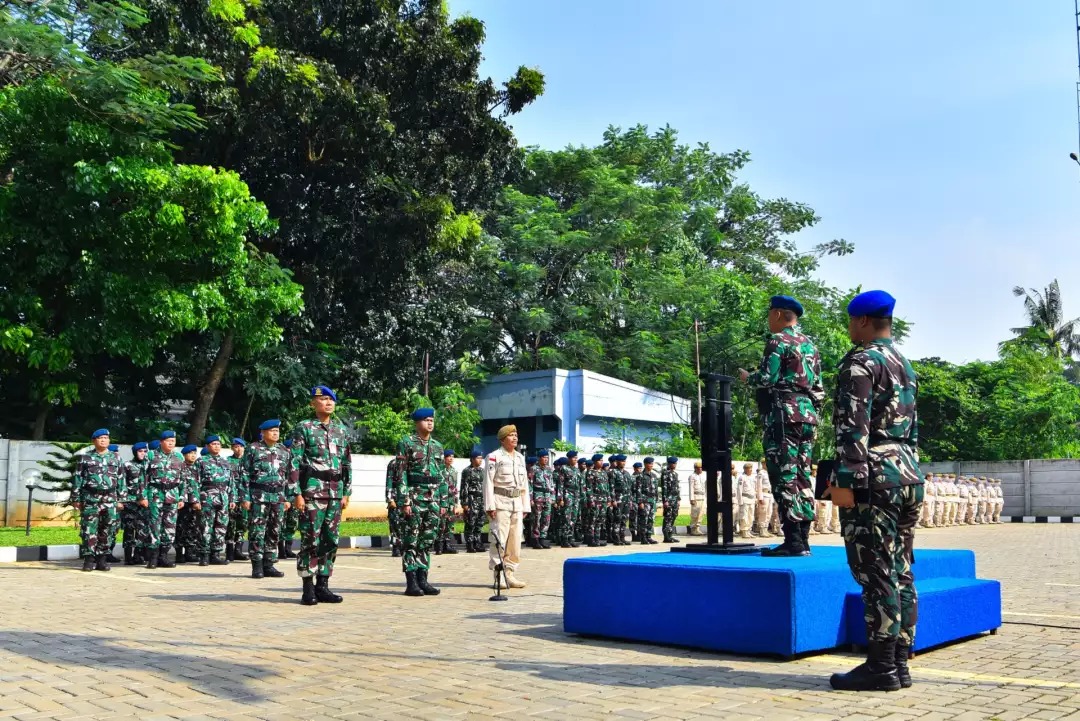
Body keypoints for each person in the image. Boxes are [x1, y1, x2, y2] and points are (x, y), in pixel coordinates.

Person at [828, 290, 924, 692]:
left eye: (851, 321)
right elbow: (913, 429)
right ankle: (899, 662)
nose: (849, 328)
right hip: (907, 475)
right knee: (901, 571)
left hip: (875, 478)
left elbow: (853, 427)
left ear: (863, 321)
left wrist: (845, 482)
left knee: (875, 573)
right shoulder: (905, 364)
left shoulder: (862, 362)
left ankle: (881, 667)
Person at [739, 294, 824, 557]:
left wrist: (747, 377)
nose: (768, 320)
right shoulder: (810, 345)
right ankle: (804, 539)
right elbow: (819, 389)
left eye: (769, 314)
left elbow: (767, 377)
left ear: (777, 314)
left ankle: (793, 541)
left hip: (784, 415)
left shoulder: (778, 340)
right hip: (807, 416)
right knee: (802, 476)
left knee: (784, 476)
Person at [290, 386, 352, 606]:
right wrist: (296, 493)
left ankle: (323, 586)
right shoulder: (304, 428)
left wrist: (346, 492)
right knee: (310, 540)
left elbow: (346, 463)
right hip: (312, 492)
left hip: (335, 492)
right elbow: (294, 462)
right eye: (323, 399)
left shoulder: (341, 431)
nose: (328, 403)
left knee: (331, 539)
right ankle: (308, 588)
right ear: (313, 404)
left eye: (331, 400)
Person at [392, 407, 445, 597]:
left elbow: (442, 477)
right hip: (414, 497)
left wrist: (444, 502)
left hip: (433, 499)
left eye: (431, 420)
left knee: (427, 539)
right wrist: (404, 500)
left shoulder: (438, 446)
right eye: (426, 420)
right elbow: (400, 474)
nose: (429, 423)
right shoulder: (406, 443)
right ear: (417, 422)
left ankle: (424, 579)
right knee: (411, 540)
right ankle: (411, 581)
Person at [242, 419, 290, 579]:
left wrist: (288, 497)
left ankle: (269, 564)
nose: (275, 433)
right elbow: (243, 474)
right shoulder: (253, 449)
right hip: (258, 496)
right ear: (263, 432)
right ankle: (257, 565)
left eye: (277, 430)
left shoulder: (284, 450)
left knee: (274, 530)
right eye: (272, 430)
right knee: (257, 531)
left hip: (278, 496)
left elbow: (289, 476)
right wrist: (245, 497)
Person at [484, 425, 530, 589]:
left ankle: (510, 573)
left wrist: (525, 506)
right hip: (500, 502)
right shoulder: (494, 457)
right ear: (503, 439)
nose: (515, 437)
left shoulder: (519, 458)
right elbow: (488, 482)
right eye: (511, 435)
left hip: (516, 503)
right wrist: (490, 505)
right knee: (499, 541)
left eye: (516, 435)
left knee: (515, 542)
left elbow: (524, 483)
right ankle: (499, 575)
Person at [74, 429, 125, 571]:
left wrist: (121, 499)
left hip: (110, 498)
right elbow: (78, 478)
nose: (104, 440)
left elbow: (121, 479)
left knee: (107, 529)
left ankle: (102, 559)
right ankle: (89, 559)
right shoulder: (85, 458)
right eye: (100, 438)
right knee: (89, 529)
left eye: (106, 438)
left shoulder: (116, 458)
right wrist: (76, 498)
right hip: (91, 498)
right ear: (94, 441)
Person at [141, 431, 185, 569]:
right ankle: (153, 557)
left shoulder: (178, 457)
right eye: (168, 440)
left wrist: (182, 496)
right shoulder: (151, 455)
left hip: (172, 494)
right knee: (154, 525)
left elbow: (183, 478)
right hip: (155, 493)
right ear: (161, 442)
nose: (171, 443)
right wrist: (143, 496)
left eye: (173, 440)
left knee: (170, 527)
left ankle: (163, 556)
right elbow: (143, 478)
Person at [196, 436, 236, 566]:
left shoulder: (226, 462)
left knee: (221, 527)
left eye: (218, 444)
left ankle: (216, 553)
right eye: (213, 444)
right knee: (205, 526)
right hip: (207, 496)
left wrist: (232, 498)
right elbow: (195, 482)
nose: (217, 446)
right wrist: (196, 499)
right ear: (207, 446)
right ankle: (204, 554)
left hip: (223, 497)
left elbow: (231, 482)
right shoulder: (201, 461)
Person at [120, 442, 148, 565]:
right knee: (129, 530)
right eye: (140, 451)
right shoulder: (127, 465)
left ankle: (138, 555)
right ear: (135, 452)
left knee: (143, 530)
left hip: (145, 502)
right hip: (130, 502)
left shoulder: (149, 466)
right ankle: (128, 556)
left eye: (145, 451)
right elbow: (121, 484)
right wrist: (121, 500)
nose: (143, 453)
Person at [226, 438, 250, 562]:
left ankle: (238, 550)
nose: (238, 449)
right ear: (232, 448)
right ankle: (229, 550)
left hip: (245, 497)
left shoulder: (249, 461)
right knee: (231, 523)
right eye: (235, 447)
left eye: (240, 446)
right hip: (233, 497)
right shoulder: (228, 461)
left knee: (243, 523)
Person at [460, 447, 486, 553]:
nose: (480, 460)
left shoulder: (482, 471)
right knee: (471, 522)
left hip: (481, 499)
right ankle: (470, 544)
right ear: (472, 459)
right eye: (478, 458)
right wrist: (465, 503)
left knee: (480, 522)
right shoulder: (467, 471)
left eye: (481, 458)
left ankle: (477, 542)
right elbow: (464, 487)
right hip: (471, 499)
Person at [528, 449, 554, 549]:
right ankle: (535, 539)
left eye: (547, 457)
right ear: (539, 458)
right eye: (544, 457)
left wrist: (552, 497)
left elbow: (552, 484)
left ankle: (543, 538)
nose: (546, 459)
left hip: (547, 496)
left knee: (546, 518)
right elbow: (530, 484)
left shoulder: (549, 469)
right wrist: (530, 498)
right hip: (537, 495)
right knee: (536, 518)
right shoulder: (533, 469)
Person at [278, 437, 299, 559]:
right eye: (292, 448)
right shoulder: (282, 462)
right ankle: (281, 550)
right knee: (281, 523)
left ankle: (288, 548)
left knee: (292, 523)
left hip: (293, 497)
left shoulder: (297, 462)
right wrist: (284, 498)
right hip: (283, 497)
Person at [438, 449, 460, 554]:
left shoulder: (454, 471)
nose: (451, 458)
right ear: (444, 458)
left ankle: (447, 545)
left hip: (450, 501)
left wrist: (455, 504)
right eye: (448, 456)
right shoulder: (439, 470)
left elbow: (455, 488)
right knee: (440, 524)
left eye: (452, 456)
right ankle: (439, 546)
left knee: (449, 524)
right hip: (440, 501)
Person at [584, 453, 609, 547]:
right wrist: (591, 500)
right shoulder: (591, 472)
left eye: (602, 460)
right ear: (595, 462)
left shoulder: (603, 473)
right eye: (599, 460)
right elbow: (589, 488)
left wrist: (608, 498)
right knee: (592, 520)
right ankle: (591, 539)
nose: (601, 462)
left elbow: (607, 487)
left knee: (600, 520)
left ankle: (597, 538)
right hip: (595, 499)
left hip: (603, 499)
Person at [634, 460, 659, 544]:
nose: (651, 465)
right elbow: (638, 490)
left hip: (652, 501)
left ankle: (649, 536)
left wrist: (657, 501)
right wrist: (640, 502)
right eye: (649, 463)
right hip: (645, 501)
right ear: (645, 464)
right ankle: (643, 537)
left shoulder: (654, 476)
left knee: (651, 519)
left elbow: (656, 490)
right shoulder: (640, 476)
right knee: (643, 519)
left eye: (652, 464)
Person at [660, 457, 681, 543]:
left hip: (675, 499)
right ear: (669, 464)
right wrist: (665, 500)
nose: (674, 465)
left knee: (674, 516)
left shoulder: (675, 474)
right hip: (669, 499)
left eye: (675, 463)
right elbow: (664, 488)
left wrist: (679, 499)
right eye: (673, 463)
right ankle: (666, 536)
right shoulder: (665, 474)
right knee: (668, 517)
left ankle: (670, 534)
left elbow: (677, 488)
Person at [736, 462, 756, 539]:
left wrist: (755, 498)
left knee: (751, 516)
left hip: (751, 498)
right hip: (745, 498)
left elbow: (754, 489)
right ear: (745, 469)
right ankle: (744, 531)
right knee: (744, 515)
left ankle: (748, 530)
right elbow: (739, 489)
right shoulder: (742, 477)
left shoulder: (753, 477)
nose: (750, 470)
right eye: (748, 468)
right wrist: (740, 501)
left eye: (751, 468)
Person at [754, 464, 774, 538]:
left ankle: (766, 529)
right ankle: (762, 530)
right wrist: (760, 497)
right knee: (763, 513)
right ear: (763, 464)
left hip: (770, 494)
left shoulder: (769, 472)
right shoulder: (761, 473)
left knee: (769, 512)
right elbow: (758, 485)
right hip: (764, 494)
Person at [688, 462, 705, 535]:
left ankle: (697, 527)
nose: (700, 469)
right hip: (695, 496)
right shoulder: (692, 476)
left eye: (701, 468)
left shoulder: (703, 476)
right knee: (695, 513)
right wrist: (691, 498)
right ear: (695, 468)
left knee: (701, 513)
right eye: (698, 468)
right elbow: (691, 488)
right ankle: (693, 528)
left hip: (702, 496)